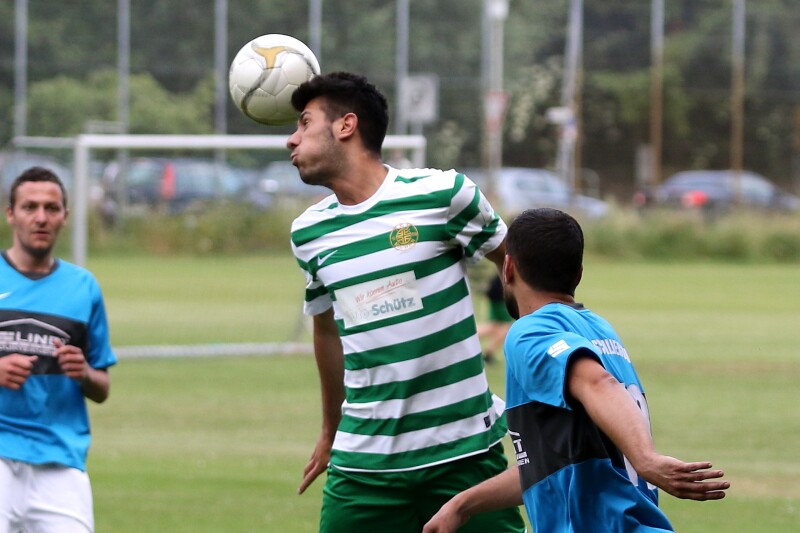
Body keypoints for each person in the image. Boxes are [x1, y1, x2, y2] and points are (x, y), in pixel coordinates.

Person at [286, 72, 525, 532]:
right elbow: (326, 330)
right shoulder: (308, 233)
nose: (291, 139)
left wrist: (546, 367)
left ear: (346, 125)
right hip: (363, 465)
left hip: (464, 453)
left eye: (304, 122)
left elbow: (519, 268)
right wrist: (330, 430)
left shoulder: (443, 195)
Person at [423, 208, 730, 532]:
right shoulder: (599, 329)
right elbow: (546, 466)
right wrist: (462, 505)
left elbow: (597, 383)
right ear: (579, 274)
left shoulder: (530, 332)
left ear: (508, 267)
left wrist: (646, 459)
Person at [0, 167, 116, 532]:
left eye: (51, 208)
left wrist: (83, 373)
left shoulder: (83, 287)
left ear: (64, 216)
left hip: (59, 462)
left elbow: (102, 388)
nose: (41, 217)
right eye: (29, 207)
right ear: (11, 214)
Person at [476, 273, 514, 364]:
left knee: (495, 325)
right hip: (501, 294)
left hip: (496, 290)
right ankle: (488, 353)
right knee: (506, 327)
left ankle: (488, 352)